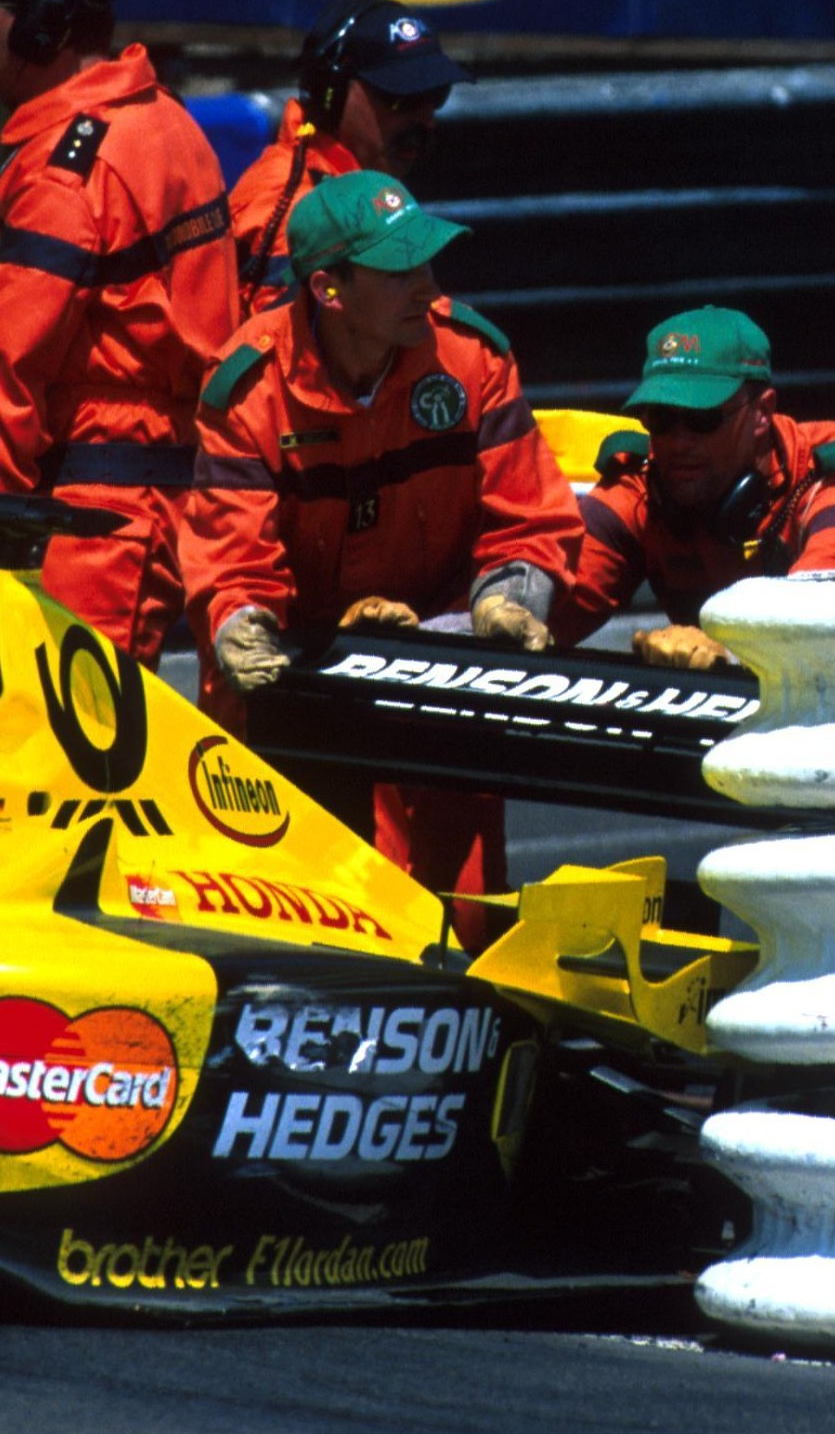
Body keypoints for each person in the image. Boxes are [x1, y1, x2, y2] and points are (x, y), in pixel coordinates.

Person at [186, 172, 580, 909]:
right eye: (400, 272)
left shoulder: (472, 358)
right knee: (297, 910)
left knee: (462, 912)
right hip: (303, 668)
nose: (426, 287)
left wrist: (506, 601)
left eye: (426, 262)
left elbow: (529, 518)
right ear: (328, 290)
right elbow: (231, 560)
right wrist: (240, 624)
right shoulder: (249, 388)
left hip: (442, 652)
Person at [0, 0, 237, 656]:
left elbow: (10, 370)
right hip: (159, 488)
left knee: (73, 723)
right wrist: (24, 118)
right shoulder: (162, 119)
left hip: (98, 514)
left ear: (39, 27)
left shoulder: (65, 176)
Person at [553, 308, 835, 666]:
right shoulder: (642, 484)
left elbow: (824, 621)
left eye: (703, 418)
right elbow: (552, 604)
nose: (679, 442)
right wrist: (523, 609)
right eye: (662, 419)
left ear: (762, 413)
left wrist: (726, 652)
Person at [227, 0, 470, 308]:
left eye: (436, 95)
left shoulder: (366, 188)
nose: (426, 120)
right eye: (402, 98)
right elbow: (290, 339)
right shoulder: (294, 212)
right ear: (331, 93)